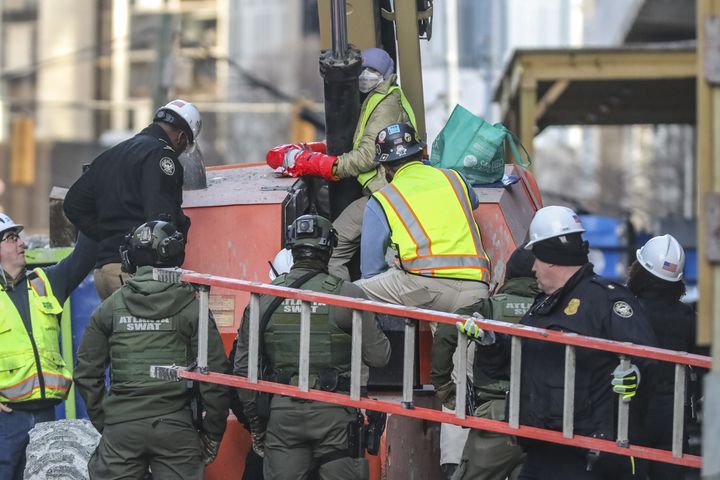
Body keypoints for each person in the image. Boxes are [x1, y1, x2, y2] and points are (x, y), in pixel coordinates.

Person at [462, 205, 657, 480]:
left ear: (551, 259)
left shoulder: (606, 300)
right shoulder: (544, 305)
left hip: (586, 454)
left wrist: (634, 373)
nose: (532, 268)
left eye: (536, 260)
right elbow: (523, 360)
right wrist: (492, 343)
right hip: (542, 445)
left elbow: (645, 354)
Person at [355, 122, 491, 477]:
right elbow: (473, 202)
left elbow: (370, 269)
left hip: (424, 289)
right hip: (476, 290)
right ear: (423, 154)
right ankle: (453, 467)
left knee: (350, 295)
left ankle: (360, 371)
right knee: (460, 384)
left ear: (385, 167)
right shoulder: (454, 179)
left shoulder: (384, 198)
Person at [234, 214, 391, 479]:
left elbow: (243, 369)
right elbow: (380, 356)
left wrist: (260, 423)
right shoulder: (348, 295)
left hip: (282, 414)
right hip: (337, 414)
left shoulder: (263, 296)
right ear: (329, 248)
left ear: (292, 248)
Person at [74, 220, 230, 479]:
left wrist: (108, 421)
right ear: (176, 253)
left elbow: (86, 373)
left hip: (121, 430)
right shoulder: (193, 307)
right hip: (176, 428)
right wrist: (212, 434)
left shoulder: (109, 308)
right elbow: (215, 377)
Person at [266, 47, 417, 280]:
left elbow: (368, 155)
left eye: (373, 70)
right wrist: (321, 150)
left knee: (333, 248)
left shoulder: (385, 104)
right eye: (363, 69)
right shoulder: (379, 98)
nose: (366, 75)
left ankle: (343, 306)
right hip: (387, 190)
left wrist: (330, 166)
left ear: (385, 74)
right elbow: (362, 141)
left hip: (384, 192)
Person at [64, 99, 201, 300]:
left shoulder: (111, 154)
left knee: (119, 332)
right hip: (133, 275)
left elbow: (73, 204)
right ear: (181, 137)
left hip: (104, 273)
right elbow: (161, 219)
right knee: (155, 331)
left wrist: (108, 237)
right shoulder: (162, 156)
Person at [0, 213, 98, 479]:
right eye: (11, 238)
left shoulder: (45, 283)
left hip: (46, 414)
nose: (21, 244)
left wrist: (93, 203)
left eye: (18, 237)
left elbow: (84, 255)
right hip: (6, 419)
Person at [432, 247, 540, 480]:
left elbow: (446, 329)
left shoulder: (488, 308)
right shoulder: (550, 310)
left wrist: (443, 386)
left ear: (507, 277)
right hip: (542, 418)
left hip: (494, 416)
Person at [628, 234, 701, 480]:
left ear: (639, 269)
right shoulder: (687, 317)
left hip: (631, 408)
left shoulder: (626, 310)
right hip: (673, 413)